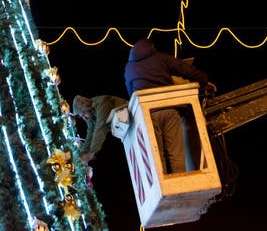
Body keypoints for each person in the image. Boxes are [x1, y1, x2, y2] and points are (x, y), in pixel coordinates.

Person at [124, 38, 216, 174]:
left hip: (148, 115)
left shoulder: (129, 68)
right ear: (151, 46)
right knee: (175, 153)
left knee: (157, 156)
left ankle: (165, 185)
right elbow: (184, 69)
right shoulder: (159, 58)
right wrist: (204, 81)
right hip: (169, 110)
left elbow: (131, 93)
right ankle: (181, 183)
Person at [72, 94, 128, 166]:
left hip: (132, 117)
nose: (84, 118)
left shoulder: (102, 103)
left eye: (84, 114)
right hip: (124, 128)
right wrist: (82, 154)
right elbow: (90, 132)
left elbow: (100, 128)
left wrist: (92, 152)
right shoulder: (91, 115)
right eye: (82, 116)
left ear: (87, 108)